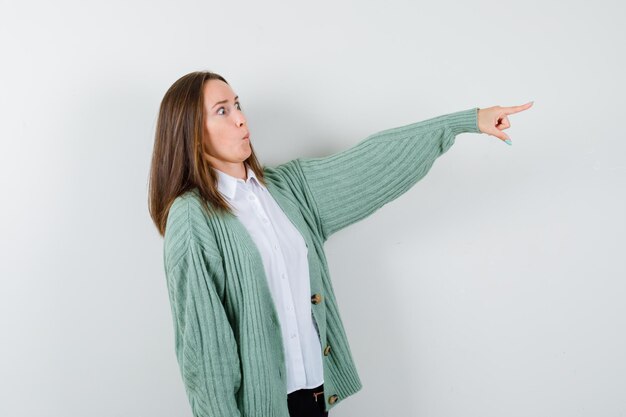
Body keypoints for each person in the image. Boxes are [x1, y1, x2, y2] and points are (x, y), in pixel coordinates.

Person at [148, 70, 533, 417]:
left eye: (237, 104)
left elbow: (369, 162)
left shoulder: (288, 189)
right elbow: (204, 353)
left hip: (314, 399)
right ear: (191, 132)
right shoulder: (192, 218)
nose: (241, 117)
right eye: (221, 111)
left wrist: (464, 122)